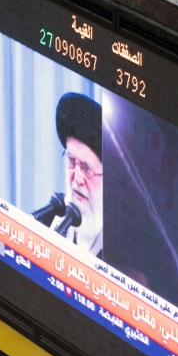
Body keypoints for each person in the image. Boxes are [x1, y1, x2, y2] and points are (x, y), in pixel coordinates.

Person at [52, 93, 103, 257]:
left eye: (87, 169)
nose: (77, 178)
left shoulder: (121, 259)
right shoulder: (51, 220)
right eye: (72, 162)